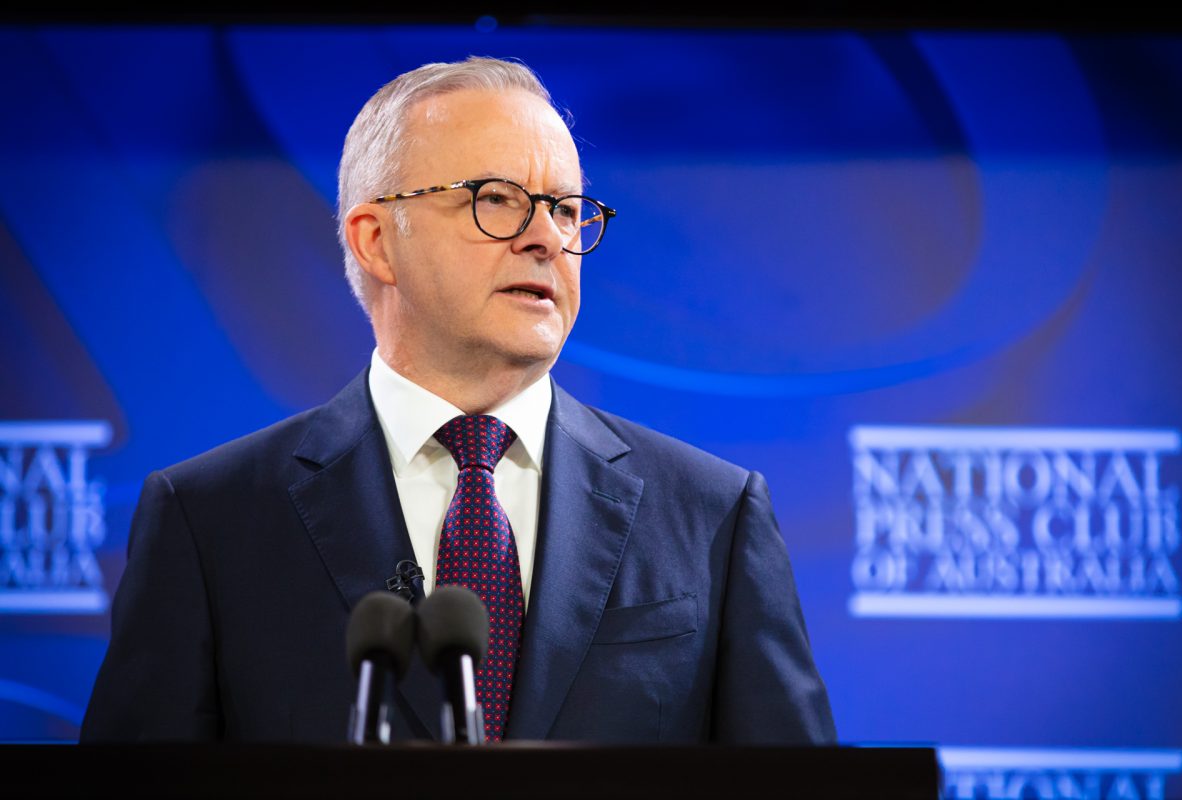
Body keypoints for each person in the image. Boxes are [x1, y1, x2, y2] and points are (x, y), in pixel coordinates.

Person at [80, 56, 836, 744]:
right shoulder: (210, 520)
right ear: (377, 240)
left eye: (569, 210)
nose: (546, 238)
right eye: (498, 200)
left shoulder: (713, 515)